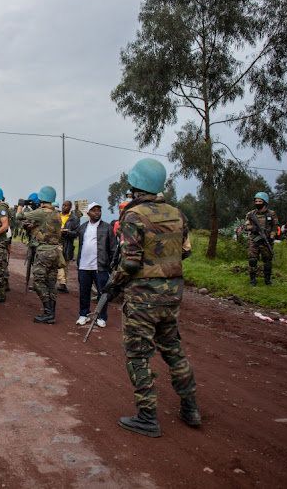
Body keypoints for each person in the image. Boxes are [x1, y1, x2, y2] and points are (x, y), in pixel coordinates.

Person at [101, 158, 199, 438]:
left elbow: (130, 262)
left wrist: (113, 286)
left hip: (143, 298)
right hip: (171, 296)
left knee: (137, 356)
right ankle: (190, 408)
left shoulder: (133, 216)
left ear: (134, 186)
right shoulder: (177, 213)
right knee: (173, 350)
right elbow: (186, 252)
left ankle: (147, 417)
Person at [16, 186, 64, 324]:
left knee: (38, 281)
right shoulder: (56, 213)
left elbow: (19, 216)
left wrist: (20, 205)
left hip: (44, 252)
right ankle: (51, 313)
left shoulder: (40, 212)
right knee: (50, 282)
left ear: (42, 197)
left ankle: (48, 312)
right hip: (56, 252)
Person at [75, 203, 117, 328]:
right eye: (94, 211)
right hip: (84, 265)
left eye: (99, 210)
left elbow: (113, 248)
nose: (97, 212)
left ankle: (101, 317)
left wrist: (112, 264)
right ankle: (84, 314)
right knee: (84, 292)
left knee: (102, 293)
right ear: (88, 213)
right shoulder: (83, 228)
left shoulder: (107, 228)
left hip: (100, 266)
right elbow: (81, 245)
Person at [245, 192, 279, 287]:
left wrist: (271, 237)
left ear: (265, 202)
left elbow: (275, 227)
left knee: (268, 261)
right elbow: (245, 226)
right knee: (252, 260)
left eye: (260, 201)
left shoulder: (271, 214)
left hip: (266, 240)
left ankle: (267, 280)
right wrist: (253, 229)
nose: (257, 203)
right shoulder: (251, 214)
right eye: (256, 201)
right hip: (254, 240)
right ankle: (253, 280)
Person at [57, 200, 80, 293]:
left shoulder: (74, 219)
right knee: (59, 261)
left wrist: (68, 232)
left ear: (70, 207)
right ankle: (62, 282)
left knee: (65, 263)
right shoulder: (57, 216)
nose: (64, 207)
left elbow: (77, 232)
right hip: (57, 242)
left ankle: (63, 283)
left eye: (66, 206)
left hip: (67, 242)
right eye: (63, 205)